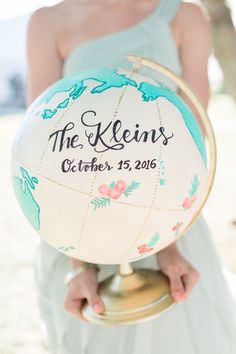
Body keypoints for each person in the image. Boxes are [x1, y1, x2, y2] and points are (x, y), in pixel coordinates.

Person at [27, 0, 236, 353]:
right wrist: (81, 261)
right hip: (73, 222)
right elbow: (42, 149)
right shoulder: (47, 22)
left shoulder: (185, 15)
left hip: (170, 217)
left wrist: (166, 246)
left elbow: (190, 143)